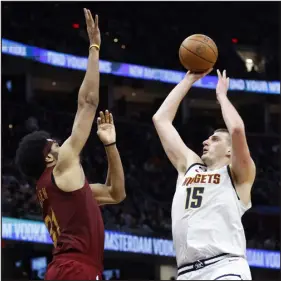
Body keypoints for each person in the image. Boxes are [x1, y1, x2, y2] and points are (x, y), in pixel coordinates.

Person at [15, 9, 126, 280]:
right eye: (54, 143)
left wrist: (110, 146)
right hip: (75, 269)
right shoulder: (61, 168)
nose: (61, 144)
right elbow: (88, 103)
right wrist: (94, 46)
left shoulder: (61, 189)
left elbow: (115, 193)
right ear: (50, 159)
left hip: (69, 269)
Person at [152, 69, 255, 280]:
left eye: (215, 139)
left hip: (225, 267)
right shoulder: (190, 166)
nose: (206, 142)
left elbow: (236, 129)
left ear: (230, 151)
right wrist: (188, 80)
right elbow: (161, 119)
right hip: (186, 273)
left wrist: (221, 96)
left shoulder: (238, 175)